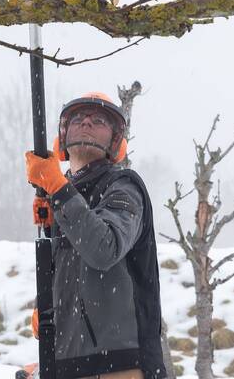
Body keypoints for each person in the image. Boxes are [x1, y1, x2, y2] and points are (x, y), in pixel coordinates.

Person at [22, 91, 167, 379]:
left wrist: (58, 189)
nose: (86, 122)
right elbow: (68, 273)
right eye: (77, 119)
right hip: (68, 365)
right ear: (62, 139)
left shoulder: (123, 187)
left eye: (99, 120)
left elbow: (104, 249)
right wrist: (48, 307)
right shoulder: (63, 199)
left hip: (119, 366)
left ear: (116, 143)